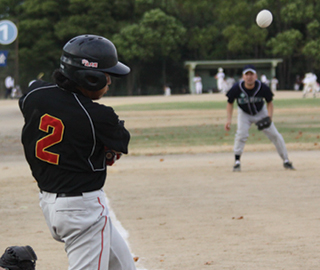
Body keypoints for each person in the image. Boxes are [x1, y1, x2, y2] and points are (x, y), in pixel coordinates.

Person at [19, 35, 136, 270]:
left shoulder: (35, 96)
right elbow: (120, 142)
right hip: (82, 211)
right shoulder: (99, 116)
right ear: (90, 78)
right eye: (106, 76)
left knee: (123, 267)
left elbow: (35, 90)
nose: (110, 82)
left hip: (51, 202)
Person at [224, 64, 295, 172]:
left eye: (251, 74)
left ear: (255, 76)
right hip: (244, 114)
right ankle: (237, 161)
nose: (249, 77)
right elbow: (230, 103)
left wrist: (269, 117)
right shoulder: (236, 88)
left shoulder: (262, 87)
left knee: (275, 135)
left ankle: (286, 160)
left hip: (260, 112)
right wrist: (228, 120)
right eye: (246, 74)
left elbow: (270, 102)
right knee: (241, 135)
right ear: (243, 77)